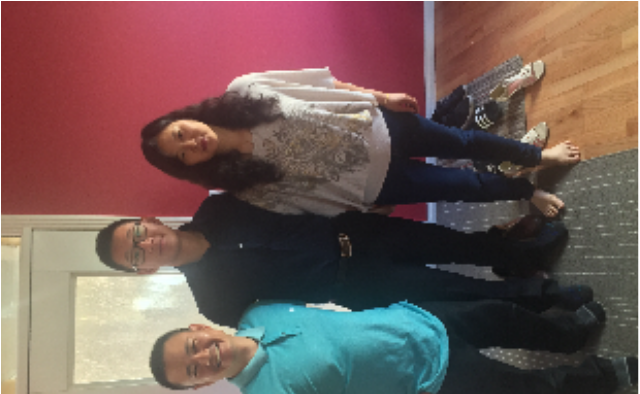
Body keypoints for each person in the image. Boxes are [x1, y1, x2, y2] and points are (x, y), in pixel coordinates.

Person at [149, 300, 637, 394]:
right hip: (434, 377)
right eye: (193, 371)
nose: (204, 358)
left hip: (420, 319)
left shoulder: (260, 313)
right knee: (526, 387)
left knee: (506, 316)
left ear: (199, 330)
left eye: (193, 348)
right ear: (201, 385)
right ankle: (602, 377)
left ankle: (571, 332)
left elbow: (328, 316)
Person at [96, 193, 589, 329]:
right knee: (455, 290)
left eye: (138, 235)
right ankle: (540, 296)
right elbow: (287, 322)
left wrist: (360, 203)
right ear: (143, 271)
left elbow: (295, 197)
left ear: (148, 220)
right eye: (135, 255)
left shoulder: (219, 206)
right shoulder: (213, 303)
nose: (147, 245)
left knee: (452, 243)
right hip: (353, 285)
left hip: (356, 231)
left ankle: (523, 254)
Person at [140, 68, 581, 218]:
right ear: (188, 166)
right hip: (378, 184)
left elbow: (324, 86)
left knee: (465, 142)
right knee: (463, 187)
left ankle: (538, 155)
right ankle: (527, 191)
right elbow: (303, 204)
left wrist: (381, 97)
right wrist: (361, 209)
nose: (191, 143)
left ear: (183, 118)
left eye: (180, 134)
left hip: (383, 126)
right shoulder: (240, 185)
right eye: (182, 155)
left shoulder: (245, 88)